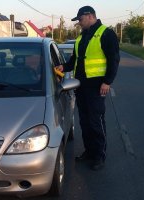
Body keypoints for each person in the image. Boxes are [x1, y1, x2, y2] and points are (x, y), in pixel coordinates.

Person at [57, 6, 120, 170]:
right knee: (84, 122)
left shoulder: (106, 33)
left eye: (80, 19)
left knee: (95, 121)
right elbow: (74, 61)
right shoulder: (81, 37)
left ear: (90, 16)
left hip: (97, 86)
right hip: (81, 87)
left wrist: (107, 82)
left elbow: (113, 60)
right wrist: (64, 67)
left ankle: (99, 155)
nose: (79, 23)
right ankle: (90, 152)